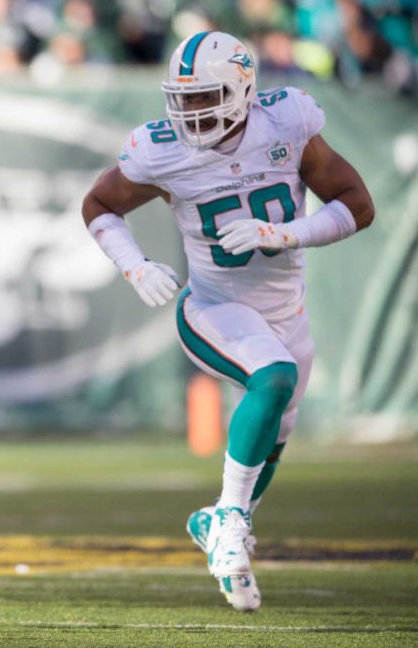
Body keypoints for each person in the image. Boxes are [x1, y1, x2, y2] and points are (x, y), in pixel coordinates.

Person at [82, 31, 373, 611]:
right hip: (212, 307)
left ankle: (217, 521)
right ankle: (233, 521)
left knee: (275, 435)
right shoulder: (160, 149)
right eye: (183, 98)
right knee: (275, 377)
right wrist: (134, 266)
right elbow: (99, 205)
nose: (192, 111)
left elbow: (357, 205)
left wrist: (286, 233)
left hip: (286, 311)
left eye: (205, 96)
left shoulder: (286, 123)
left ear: (243, 89)